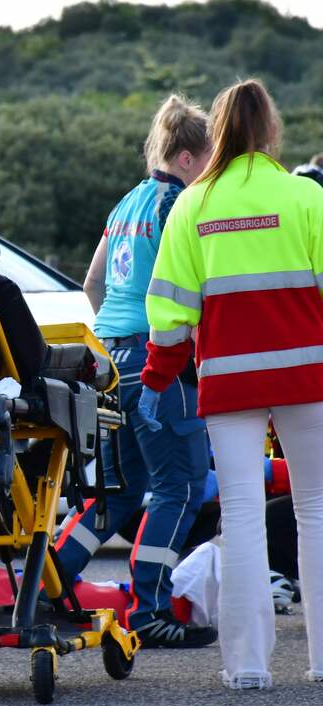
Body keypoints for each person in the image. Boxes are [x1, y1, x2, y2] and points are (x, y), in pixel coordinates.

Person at [139, 79, 323, 689]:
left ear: (216, 130)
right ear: (271, 130)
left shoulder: (193, 204)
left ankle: (247, 666)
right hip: (306, 374)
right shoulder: (305, 197)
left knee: (242, 513)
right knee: (317, 510)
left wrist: (156, 377)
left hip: (228, 379)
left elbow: (170, 310)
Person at [60, 94, 216, 648]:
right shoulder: (180, 204)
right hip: (159, 361)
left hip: (110, 360)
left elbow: (92, 283)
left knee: (118, 492)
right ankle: (149, 609)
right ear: (188, 157)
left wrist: (115, 339)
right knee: (182, 486)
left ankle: (51, 585)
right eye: (210, 159)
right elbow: (195, 287)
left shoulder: (127, 202)